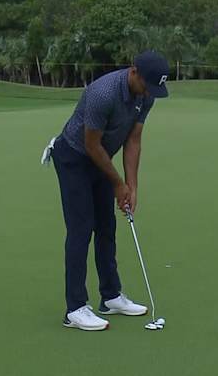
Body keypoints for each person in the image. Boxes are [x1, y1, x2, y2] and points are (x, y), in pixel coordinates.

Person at [44, 50, 169, 331]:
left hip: (101, 159)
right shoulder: (103, 93)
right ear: (133, 72)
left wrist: (131, 187)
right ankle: (75, 309)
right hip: (74, 157)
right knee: (81, 228)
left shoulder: (146, 94)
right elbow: (91, 145)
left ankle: (110, 296)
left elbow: (133, 140)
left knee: (106, 226)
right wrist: (117, 183)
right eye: (147, 85)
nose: (149, 92)